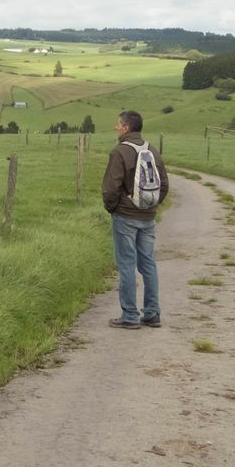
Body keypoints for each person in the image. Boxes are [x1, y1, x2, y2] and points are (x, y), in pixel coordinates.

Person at [101, 110, 169, 329]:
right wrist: (152, 206)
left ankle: (130, 315)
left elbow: (111, 188)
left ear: (126, 128)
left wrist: (113, 208)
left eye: (118, 124)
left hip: (125, 216)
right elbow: (165, 184)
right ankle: (152, 313)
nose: (116, 127)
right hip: (148, 216)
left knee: (127, 264)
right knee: (148, 262)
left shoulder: (120, 152)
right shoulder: (152, 150)